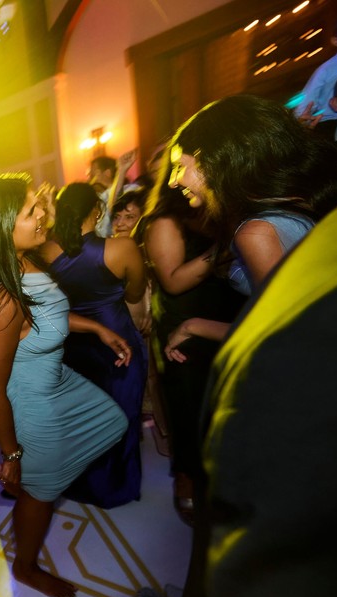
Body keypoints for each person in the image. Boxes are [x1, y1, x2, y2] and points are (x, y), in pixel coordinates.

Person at [168, 202, 337, 597]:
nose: (179, 179)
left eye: (187, 165)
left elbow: (275, 333)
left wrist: (194, 326)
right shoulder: (297, 215)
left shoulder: (256, 229)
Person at [0, 174, 130, 597]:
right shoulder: (2, 297)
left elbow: (48, 317)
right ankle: (27, 565)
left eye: (39, 207)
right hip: (20, 394)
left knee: (112, 420)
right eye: (31, 212)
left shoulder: (27, 260)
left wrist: (95, 329)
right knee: (42, 487)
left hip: (47, 374)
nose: (42, 218)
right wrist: (11, 455)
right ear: (0, 227)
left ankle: (35, 478)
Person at [134, 147, 245, 525]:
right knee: (188, 409)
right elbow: (173, 281)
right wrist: (224, 247)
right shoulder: (164, 221)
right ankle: (186, 480)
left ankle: (223, 475)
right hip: (185, 327)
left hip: (222, 317)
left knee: (223, 404)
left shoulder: (217, 212)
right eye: (177, 168)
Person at [168, 94, 337, 299]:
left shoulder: (257, 232)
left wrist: (195, 326)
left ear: (212, 161)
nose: (173, 181)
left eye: (179, 167)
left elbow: (285, 327)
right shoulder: (298, 198)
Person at [40, 181, 147, 508]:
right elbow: (134, 294)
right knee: (122, 414)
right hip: (116, 341)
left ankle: (83, 482)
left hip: (72, 345)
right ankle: (116, 486)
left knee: (82, 416)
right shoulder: (122, 248)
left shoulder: (44, 252)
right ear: (97, 211)